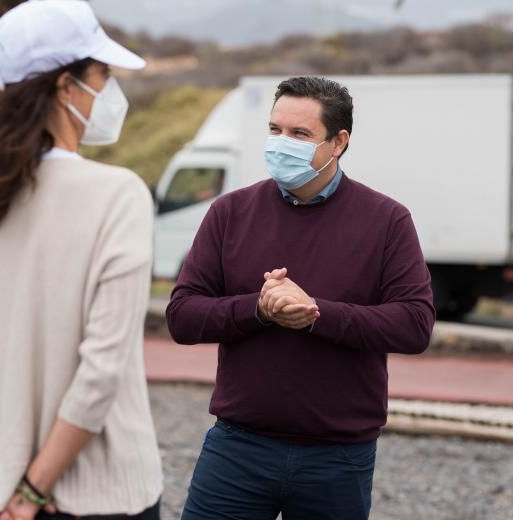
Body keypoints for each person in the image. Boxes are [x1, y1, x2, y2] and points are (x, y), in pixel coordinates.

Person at [0, 1, 163, 519]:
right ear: (67, 87)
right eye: (103, 75)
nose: (109, 92)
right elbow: (102, 369)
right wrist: (30, 495)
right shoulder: (116, 195)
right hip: (99, 496)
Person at [167, 76, 436, 520]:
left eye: (300, 134)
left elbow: (413, 325)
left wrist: (315, 314)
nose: (281, 144)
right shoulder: (229, 213)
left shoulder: (386, 220)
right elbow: (181, 315)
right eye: (275, 130)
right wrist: (259, 308)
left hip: (338, 457)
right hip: (237, 448)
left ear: (338, 142)